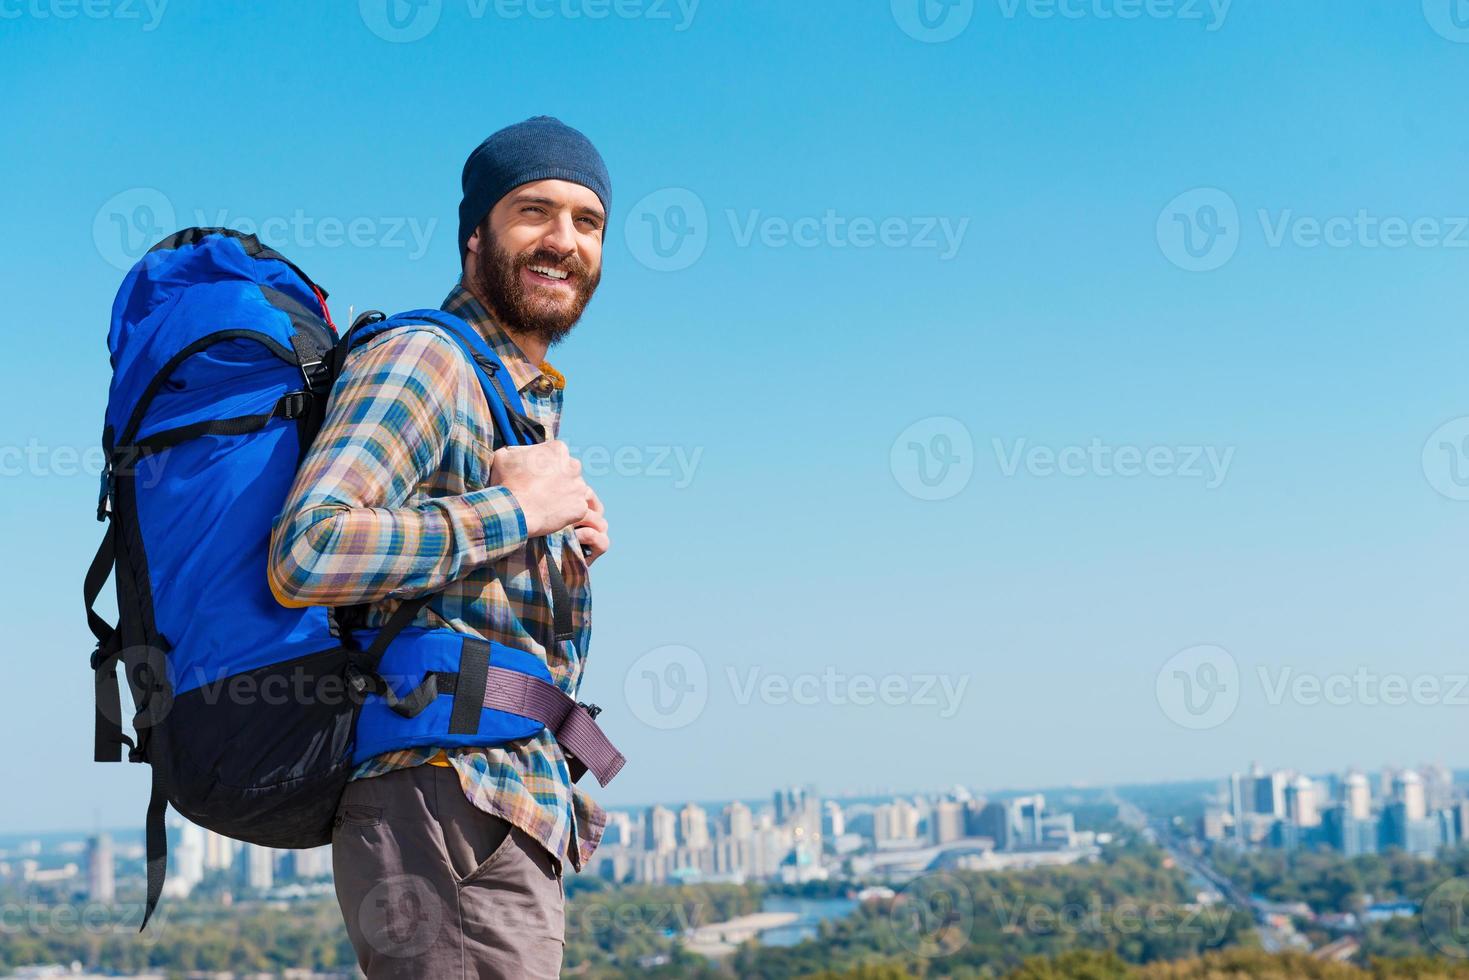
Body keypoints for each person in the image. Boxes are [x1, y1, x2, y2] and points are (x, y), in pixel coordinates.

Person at [269, 115, 613, 978]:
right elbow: (306, 551)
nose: (563, 240)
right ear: (473, 237)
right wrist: (511, 512)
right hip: (442, 796)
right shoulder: (425, 358)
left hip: (490, 803)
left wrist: (553, 549)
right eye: (534, 211)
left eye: (587, 221)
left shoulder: (509, 397)